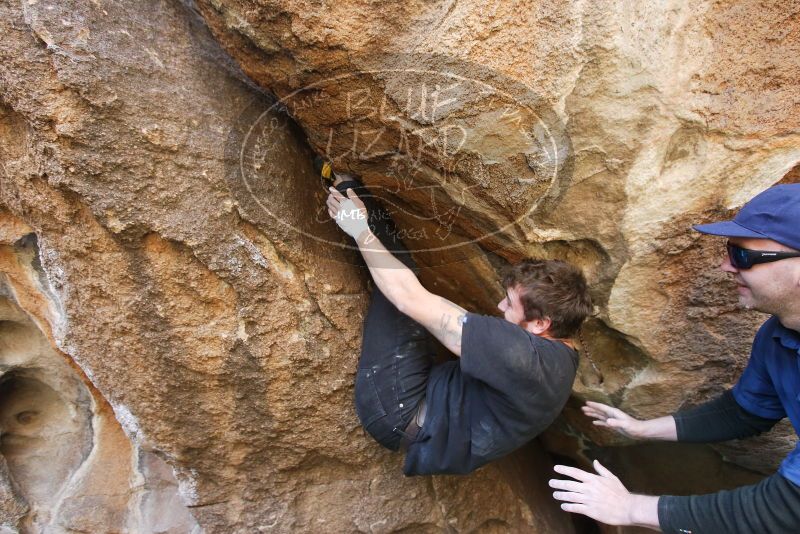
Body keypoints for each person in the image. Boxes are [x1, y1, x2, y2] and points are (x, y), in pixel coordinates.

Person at [550, 183, 800, 532]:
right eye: (730, 250)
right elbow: (746, 412)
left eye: (743, 255)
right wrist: (640, 428)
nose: (725, 265)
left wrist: (630, 508)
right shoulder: (779, 336)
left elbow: (786, 509)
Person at [322, 165, 593, 475]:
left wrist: (359, 230)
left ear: (541, 323)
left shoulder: (520, 356)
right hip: (430, 409)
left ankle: (342, 187)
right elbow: (450, 317)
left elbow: (406, 297)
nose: (500, 305)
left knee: (399, 276)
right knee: (411, 286)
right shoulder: (561, 355)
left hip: (396, 410)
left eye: (511, 304)